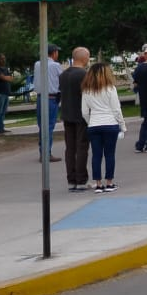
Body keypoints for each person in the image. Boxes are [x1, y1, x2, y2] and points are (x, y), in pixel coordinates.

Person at [81, 61, 126, 193]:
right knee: (109, 154)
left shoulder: (86, 90)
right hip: (110, 124)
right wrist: (122, 126)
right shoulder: (110, 89)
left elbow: (84, 112)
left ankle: (98, 183)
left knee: (96, 155)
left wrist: (91, 122)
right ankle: (109, 183)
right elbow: (116, 109)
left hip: (94, 125)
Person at [58, 48, 90, 192]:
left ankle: (71, 180)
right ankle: (81, 179)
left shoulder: (64, 74)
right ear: (85, 58)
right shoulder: (84, 74)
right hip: (81, 115)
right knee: (82, 147)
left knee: (70, 148)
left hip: (67, 114)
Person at [34, 43, 62, 162]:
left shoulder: (37, 64)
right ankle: (47, 153)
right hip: (51, 97)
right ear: (54, 53)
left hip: (41, 98)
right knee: (49, 126)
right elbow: (61, 80)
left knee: (42, 126)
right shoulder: (56, 65)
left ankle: (43, 151)